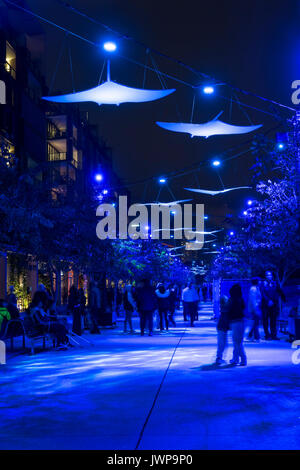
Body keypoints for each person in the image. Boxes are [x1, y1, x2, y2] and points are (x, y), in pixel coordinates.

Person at [261, 271, 285, 340]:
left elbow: (279, 292)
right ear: (265, 276)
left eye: (270, 275)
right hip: (265, 305)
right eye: (267, 275)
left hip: (274, 305)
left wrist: (282, 299)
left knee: (273, 320)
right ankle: (267, 335)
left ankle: (273, 335)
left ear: (272, 276)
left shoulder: (275, 283)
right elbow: (262, 294)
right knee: (265, 320)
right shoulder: (263, 284)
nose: (269, 276)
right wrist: (268, 301)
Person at [227, 283, 247, 366]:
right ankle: (235, 358)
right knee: (238, 341)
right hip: (241, 321)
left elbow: (229, 310)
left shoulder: (231, 300)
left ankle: (243, 359)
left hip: (235, 322)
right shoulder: (241, 299)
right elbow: (243, 308)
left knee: (237, 342)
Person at [215, 295, 229, 365]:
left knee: (223, 344)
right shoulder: (225, 309)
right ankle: (219, 358)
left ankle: (220, 357)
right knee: (222, 344)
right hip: (222, 328)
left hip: (222, 328)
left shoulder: (223, 309)